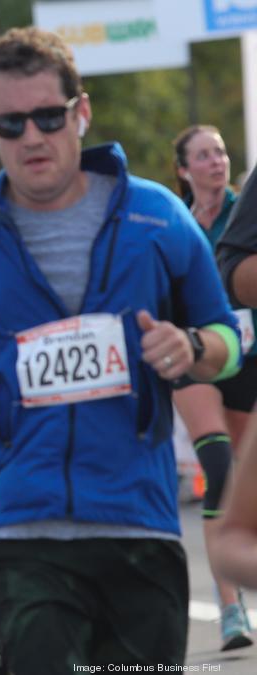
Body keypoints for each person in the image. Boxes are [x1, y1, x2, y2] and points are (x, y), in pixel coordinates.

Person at [0, 28, 240, 674]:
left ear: (81, 112)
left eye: (49, 117)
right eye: (12, 122)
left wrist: (191, 345)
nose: (32, 137)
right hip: (19, 524)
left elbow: (228, 341)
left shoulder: (158, 217)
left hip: (139, 520)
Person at [168, 124, 252, 650]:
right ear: (183, 169)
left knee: (246, 473)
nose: (216, 161)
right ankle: (229, 607)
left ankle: (241, 561)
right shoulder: (173, 221)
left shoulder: (247, 210)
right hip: (192, 357)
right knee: (218, 464)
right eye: (203, 155)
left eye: (220, 151)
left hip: (246, 357)